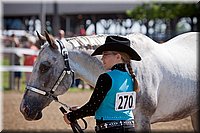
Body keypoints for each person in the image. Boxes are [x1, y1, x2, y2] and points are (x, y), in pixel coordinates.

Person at [63, 35, 141, 133]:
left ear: (118, 56)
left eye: (105, 54)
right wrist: (80, 110)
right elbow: (108, 105)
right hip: (129, 127)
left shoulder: (106, 78)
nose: (102, 58)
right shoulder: (131, 78)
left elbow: (92, 107)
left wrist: (71, 116)